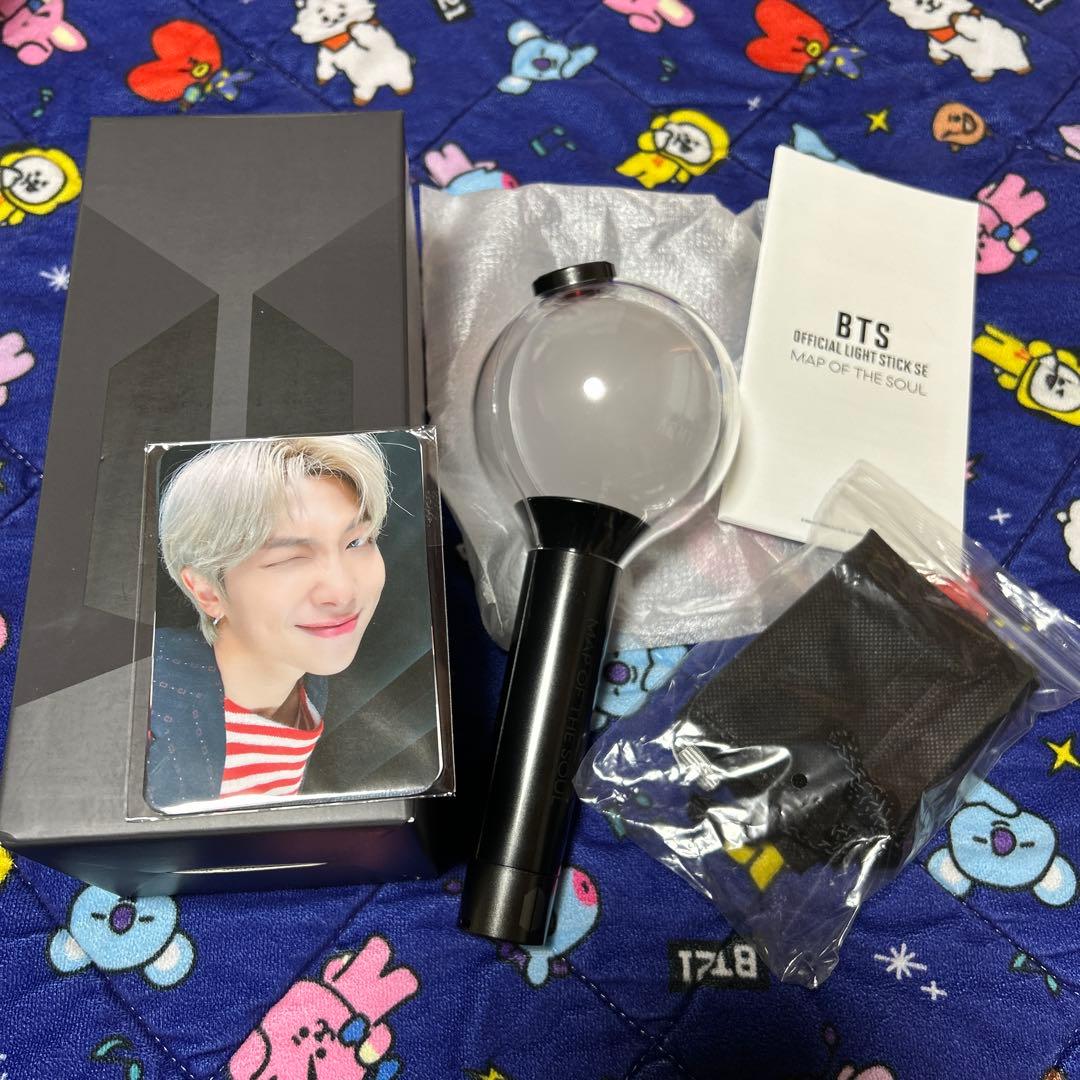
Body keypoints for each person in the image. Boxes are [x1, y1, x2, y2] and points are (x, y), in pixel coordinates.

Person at [146, 434, 390, 811]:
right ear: (206, 590)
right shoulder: (145, 707)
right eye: (289, 559)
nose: (343, 593)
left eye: (357, 542)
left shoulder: (311, 687)